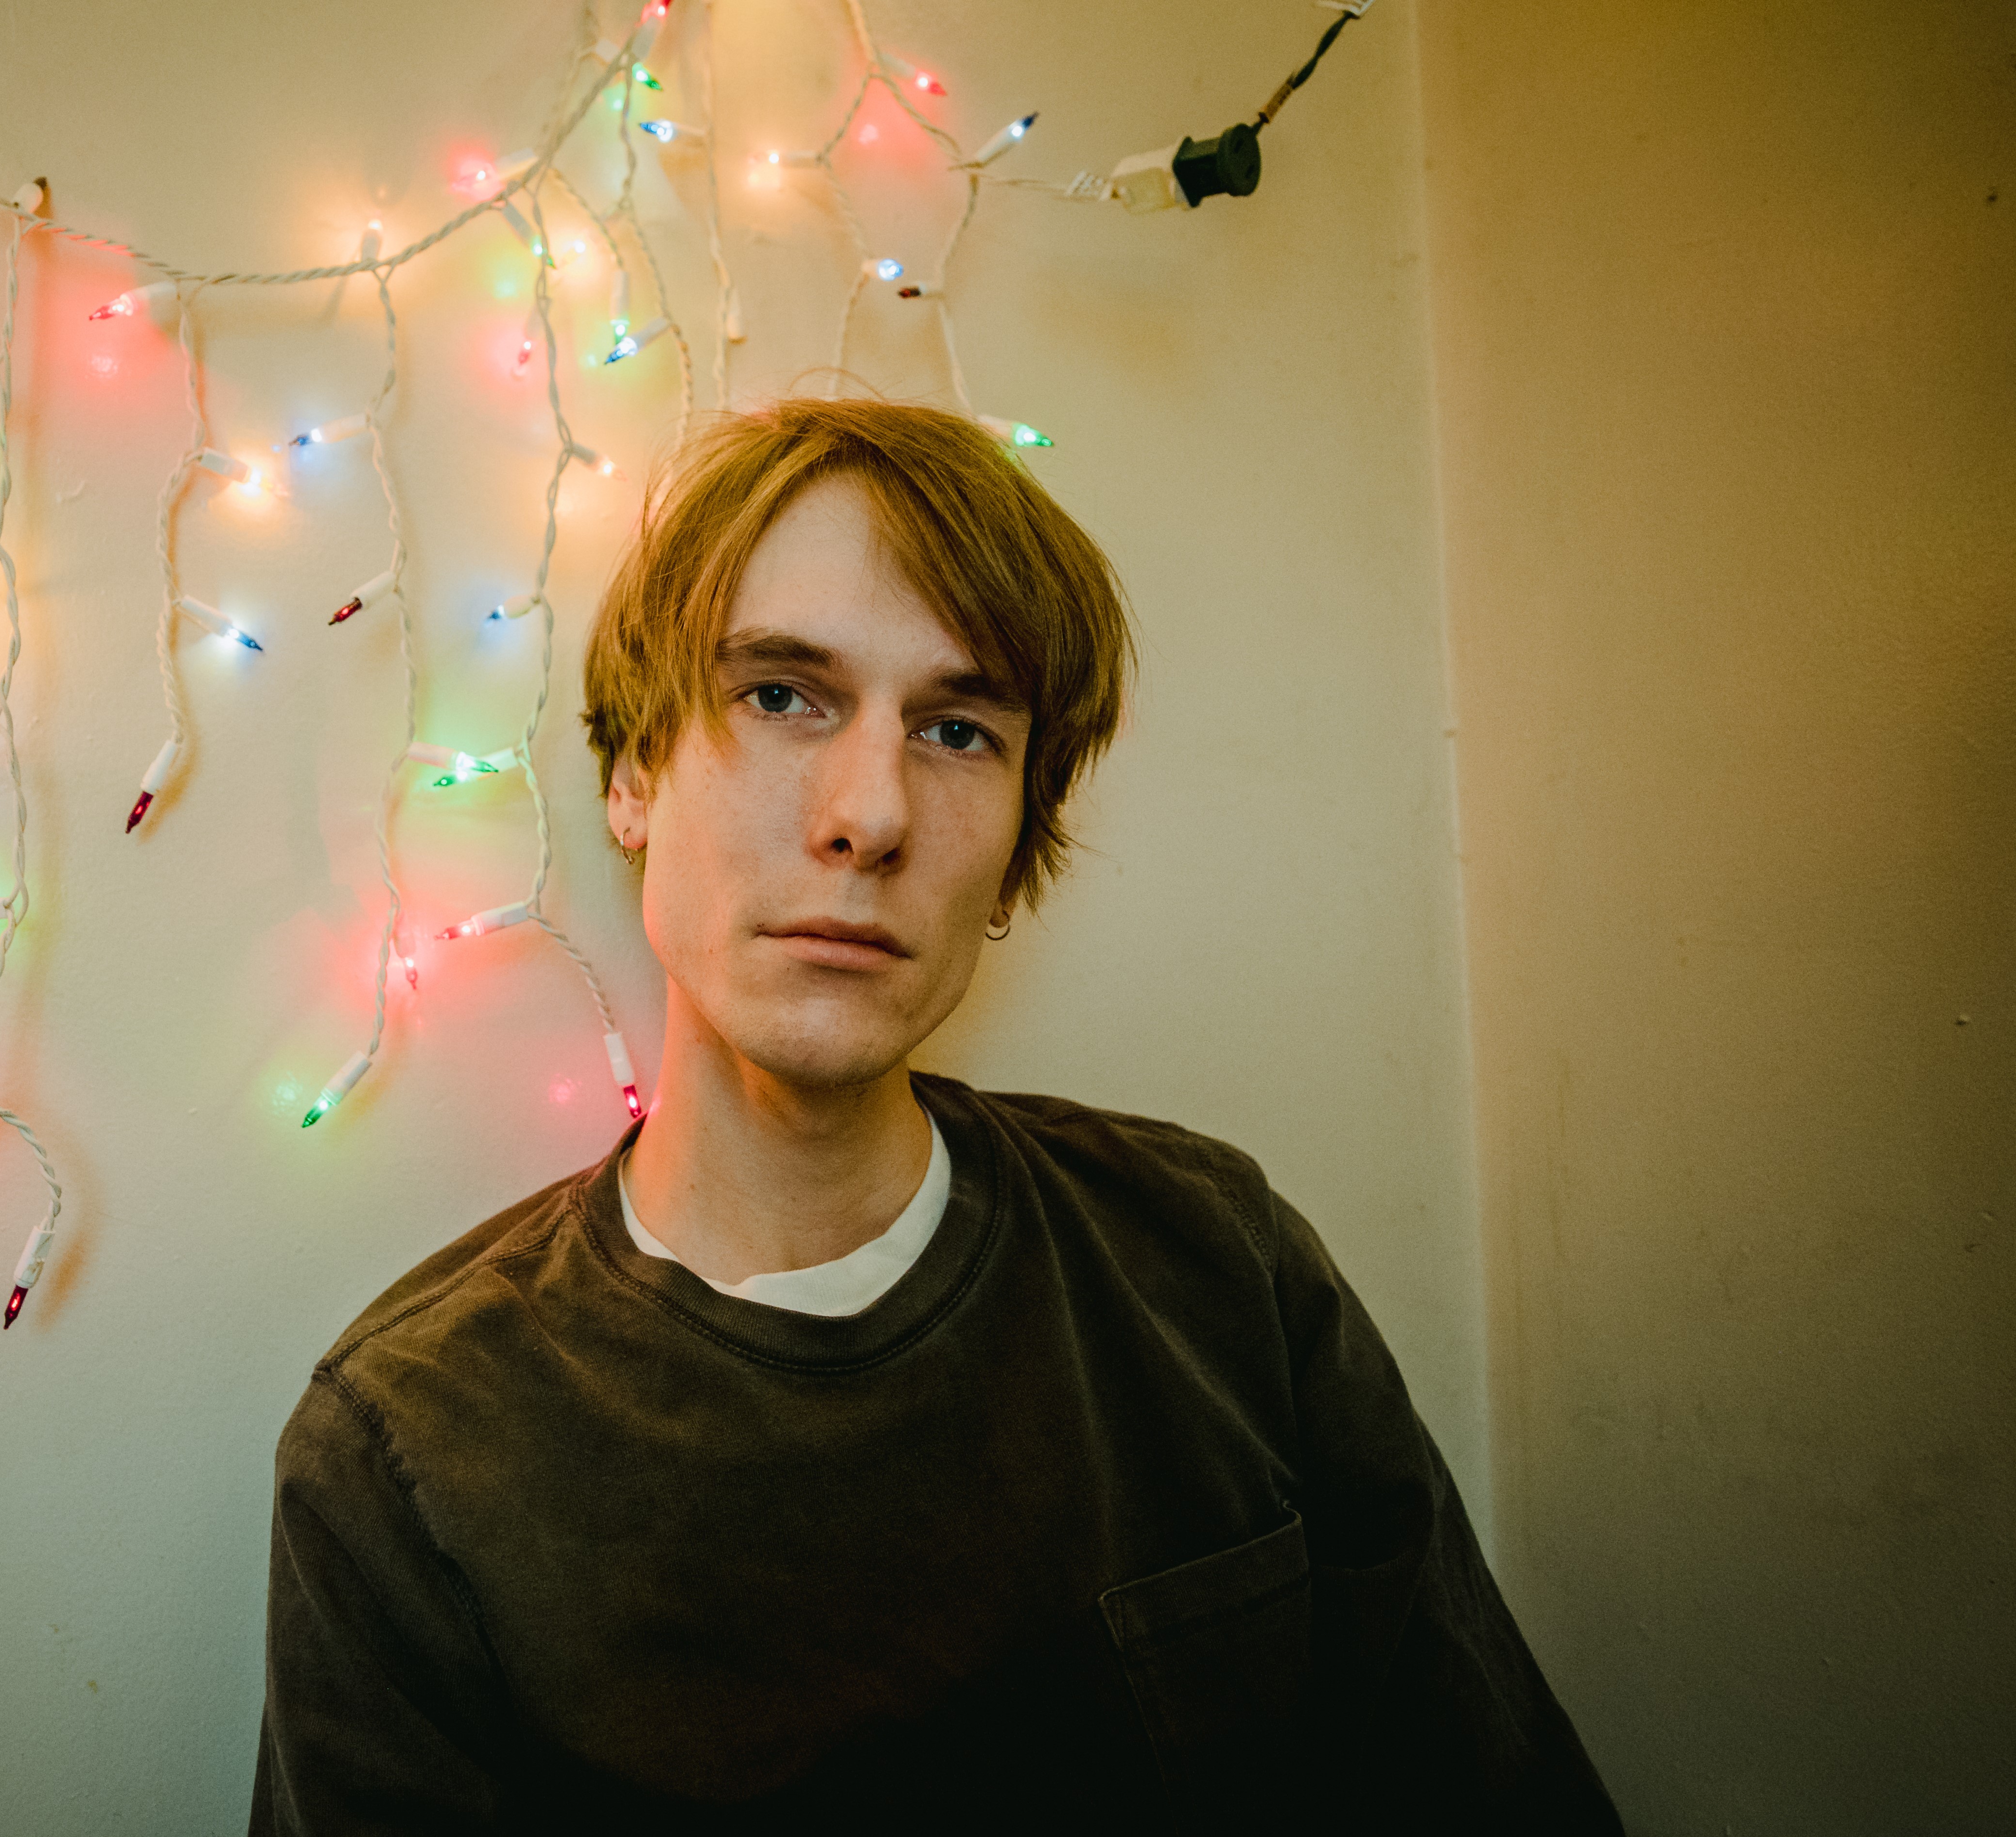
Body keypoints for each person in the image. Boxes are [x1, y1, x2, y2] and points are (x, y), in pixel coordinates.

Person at [251, 398, 1618, 1833]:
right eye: (782, 696)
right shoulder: (409, 1451)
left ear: (1020, 839)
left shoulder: (1220, 1269)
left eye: (958, 730)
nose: (871, 813)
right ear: (635, 773)